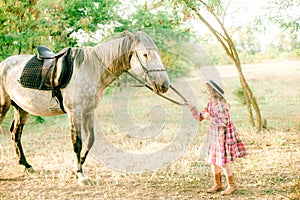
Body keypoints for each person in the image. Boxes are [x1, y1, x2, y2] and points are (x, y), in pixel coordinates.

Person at [186, 80, 248, 195]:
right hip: (214, 137)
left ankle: (231, 185)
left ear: (216, 93)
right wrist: (192, 107)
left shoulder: (222, 106)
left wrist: (210, 118)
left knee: (223, 162)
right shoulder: (210, 104)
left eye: (209, 91)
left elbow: (223, 122)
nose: (207, 93)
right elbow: (200, 117)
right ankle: (217, 183)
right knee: (213, 161)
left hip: (223, 137)